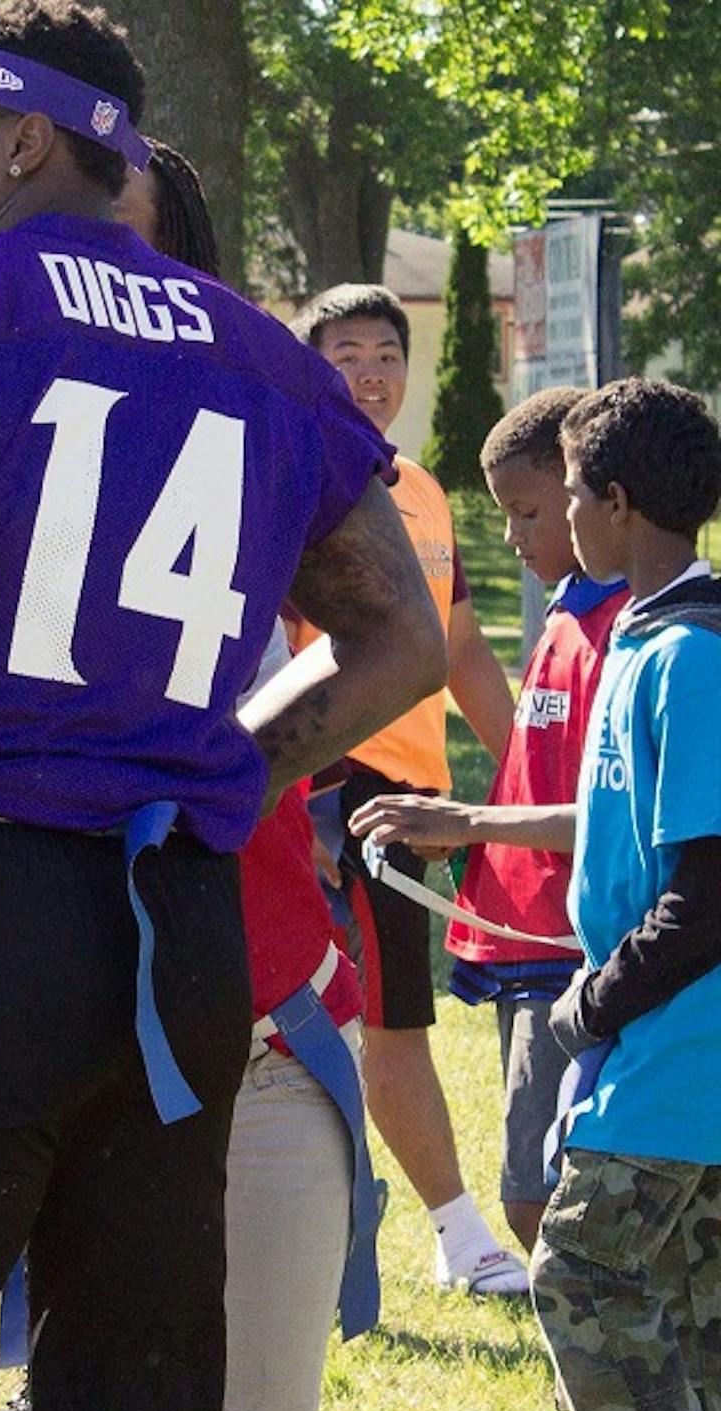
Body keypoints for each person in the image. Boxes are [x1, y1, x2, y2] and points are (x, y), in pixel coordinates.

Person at [0, 4, 446, 1411]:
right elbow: (405, 639)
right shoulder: (268, 356)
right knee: (134, 1395)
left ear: (22, 141)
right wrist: (229, 769)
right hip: (179, 927)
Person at [0, 135, 375, 1411]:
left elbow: (403, 641)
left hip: (250, 1027)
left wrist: (217, 772)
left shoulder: (264, 426)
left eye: (120, 239)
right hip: (22, 1021)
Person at [290, 283, 528, 1296]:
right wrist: (294, 798)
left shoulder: (421, 490)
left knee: (387, 1019)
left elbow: (463, 649)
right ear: (313, 369)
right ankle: (459, 1233)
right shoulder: (297, 474)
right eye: (346, 355)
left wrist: (527, 789)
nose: (372, 372)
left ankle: (410, 1232)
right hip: (331, 792)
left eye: (386, 352)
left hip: (411, 802)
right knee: (362, 1022)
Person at [349, 387, 623, 1256]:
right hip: (527, 943)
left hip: (583, 950)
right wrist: (473, 830)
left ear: (593, 492)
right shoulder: (563, 619)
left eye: (529, 512)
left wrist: (474, 822)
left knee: (551, 1197)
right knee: (534, 1188)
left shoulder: (635, 635)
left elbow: (621, 815)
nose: (510, 538)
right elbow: (535, 768)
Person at [528, 378, 721, 1411]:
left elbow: (710, 891)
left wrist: (595, 1007)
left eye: (568, 495)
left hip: (679, 1046)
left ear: (620, 502)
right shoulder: (644, 639)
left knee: (585, 1271)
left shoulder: (694, 657)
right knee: (695, 1325)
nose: (561, 519)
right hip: (664, 1042)